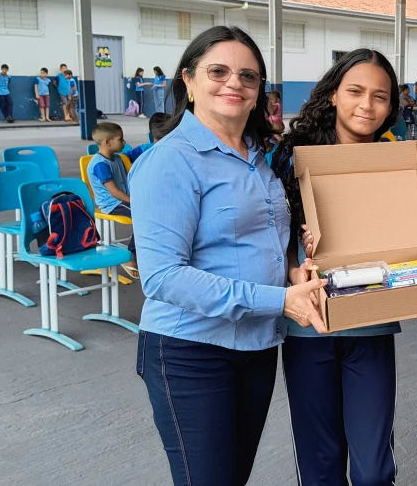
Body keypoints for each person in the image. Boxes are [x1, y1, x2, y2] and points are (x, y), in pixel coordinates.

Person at [130, 26, 326, 486]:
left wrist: (294, 269)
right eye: (217, 71)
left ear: (259, 92)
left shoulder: (258, 157)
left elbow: (263, 241)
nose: (234, 83)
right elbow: (162, 277)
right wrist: (280, 301)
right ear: (188, 80)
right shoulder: (171, 160)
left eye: (248, 76)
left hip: (256, 347)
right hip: (191, 352)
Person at [274, 48, 401, 486]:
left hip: (371, 325)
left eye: (380, 96)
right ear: (332, 95)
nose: (367, 105)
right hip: (308, 327)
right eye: (355, 91)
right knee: (320, 465)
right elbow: (274, 236)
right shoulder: (293, 156)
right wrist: (294, 267)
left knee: (374, 470)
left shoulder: (395, 161)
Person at [87, 122, 147, 278]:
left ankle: (143, 252)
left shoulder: (118, 158)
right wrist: (136, 201)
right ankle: (130, 256)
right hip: (112, 204)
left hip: (122, 200)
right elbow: (114, 192)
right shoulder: (100, 164)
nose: (124, 142)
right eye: (120, 139)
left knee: (152, 210)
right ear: (108, 142)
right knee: (144, 216)